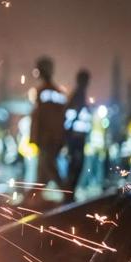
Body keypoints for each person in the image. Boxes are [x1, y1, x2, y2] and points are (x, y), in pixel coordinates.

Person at [30, 57, 67, 197]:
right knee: (43, 171)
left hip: (47, 138)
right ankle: (33, 197)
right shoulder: (58, 92)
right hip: (54, 138)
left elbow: (41, 118)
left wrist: (36, 137)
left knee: (48, 167)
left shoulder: (43, 92)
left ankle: (67, 194)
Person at [63, 69, 92, 199]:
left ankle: (69, 192)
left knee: (75, 165)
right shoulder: (78, 96)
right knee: (75, 165)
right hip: (75, 138)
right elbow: (70, 116)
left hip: (77, 138)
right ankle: (69, 192)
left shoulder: (79, 95)